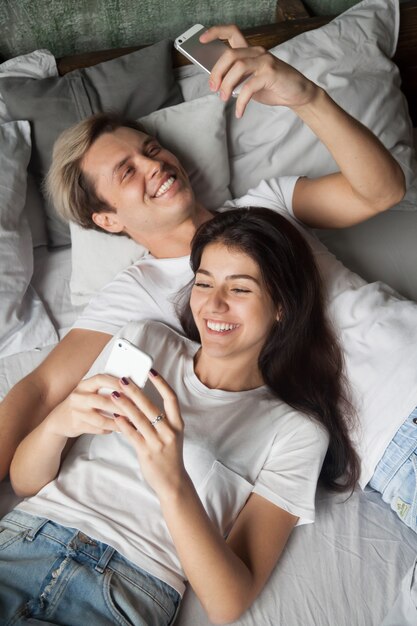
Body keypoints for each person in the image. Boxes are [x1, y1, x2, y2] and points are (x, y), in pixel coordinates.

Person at [0, 24, 412, 530]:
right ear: (107, 220)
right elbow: (41, 390)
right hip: (394, 429)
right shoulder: (139, 291)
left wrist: (303, 94)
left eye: (150, 149)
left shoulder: (268, 201)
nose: (153, 165)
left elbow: (382, 192)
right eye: (127, 171)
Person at [0, 208, 359, 624]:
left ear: (282, 305)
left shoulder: (297, 431)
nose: (213, 304)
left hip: (124, 589)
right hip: (24, 539)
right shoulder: (145, 340)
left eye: (240, 289)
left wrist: (172, 482)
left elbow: (227, 602)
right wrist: (59, 423)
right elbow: (25, 482)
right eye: (203, 283)